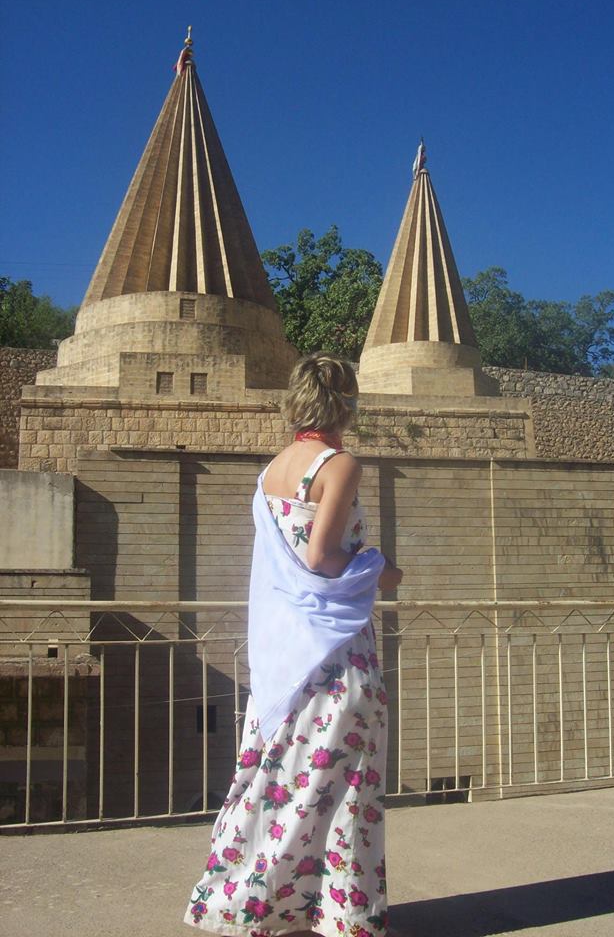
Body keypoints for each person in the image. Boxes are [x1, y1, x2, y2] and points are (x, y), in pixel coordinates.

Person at [183, 352, 403, 937]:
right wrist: (381, 568)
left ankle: (256, 906)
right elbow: (322, 557)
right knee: (345, 789)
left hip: (283, 656)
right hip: (335, 652)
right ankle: (342, 917)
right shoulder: (340, 464)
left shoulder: (272, 471)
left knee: (278, 784)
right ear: (346, 403)